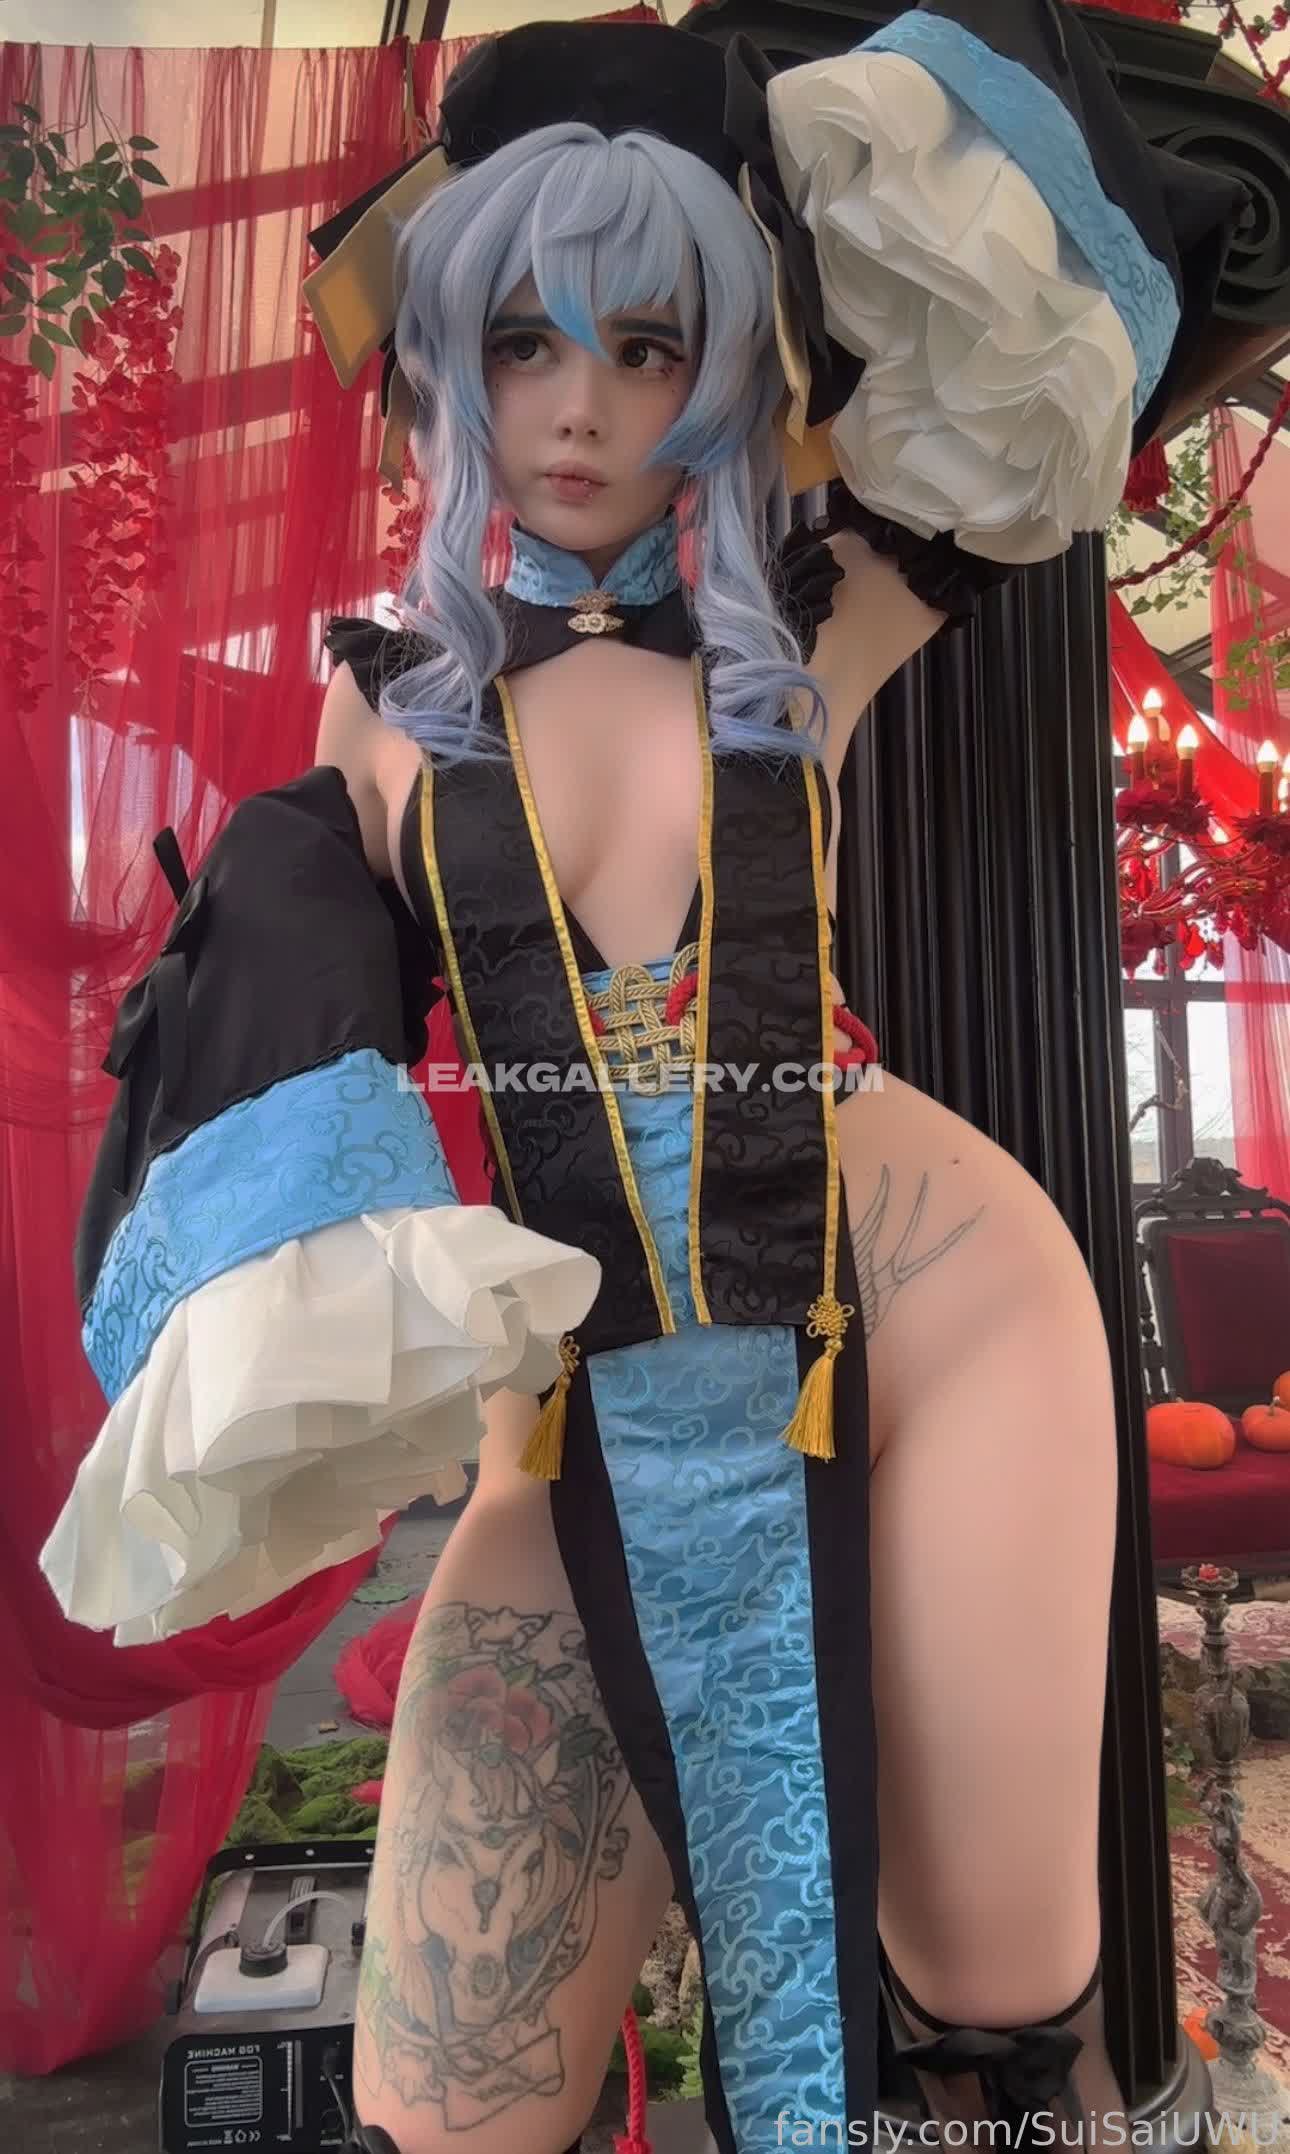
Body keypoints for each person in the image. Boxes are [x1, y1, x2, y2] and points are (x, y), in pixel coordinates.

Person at [42, 8, 1247, 2152]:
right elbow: (289, 1062)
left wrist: (788, 97)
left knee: (990, 2009)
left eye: (646, 339)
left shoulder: (818, 616)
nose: (580, 404)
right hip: (581, 1417)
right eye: (522, 340)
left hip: (937, 1312)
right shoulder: (381, 712)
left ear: (717, 367)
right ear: (451, 360)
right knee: (445, 2100)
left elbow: (1192, 258)